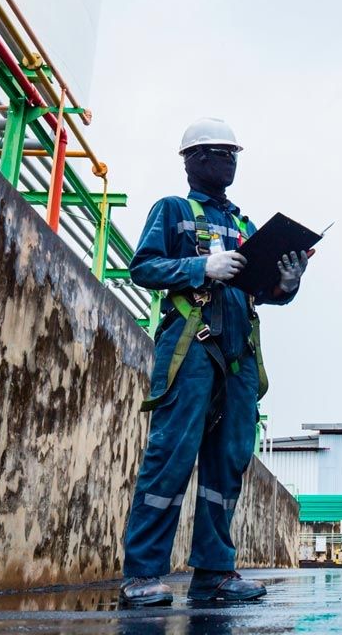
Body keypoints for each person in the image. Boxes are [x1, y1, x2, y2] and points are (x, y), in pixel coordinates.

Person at [119, 117, 309, 605]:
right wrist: (201, 265)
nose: (226, 162)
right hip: (191, 349)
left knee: (228, 463)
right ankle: (142, 573)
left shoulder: (246, 226)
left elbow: (261, 292)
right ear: (192, 160)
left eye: (232, 154)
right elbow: (143, 266)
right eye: (216, 153)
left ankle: (215, 573)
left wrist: (286, 282)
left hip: (240, 354)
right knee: (170, 456)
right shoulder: (173, 211)